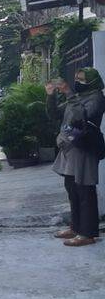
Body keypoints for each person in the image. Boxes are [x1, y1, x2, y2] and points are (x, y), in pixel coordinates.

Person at [47, 68, 105, 247]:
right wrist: (50, 95)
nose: (77, 82)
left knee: (84, 190)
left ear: (92, 81)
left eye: (81, 79)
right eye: (76, 78)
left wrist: (69, 93)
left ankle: (87, 233)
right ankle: (76, 227)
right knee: (72, 187)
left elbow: (81, 117)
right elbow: (55, 114)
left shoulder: (96, 98)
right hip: (70, 148)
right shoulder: (79, 97)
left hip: (84, 148)